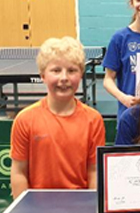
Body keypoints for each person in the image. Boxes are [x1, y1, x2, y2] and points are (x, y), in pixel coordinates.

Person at [10, 37, 106, 199]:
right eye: (56, 70)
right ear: (43, 75)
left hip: (79, 208)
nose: (64, 78)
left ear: (81, 74)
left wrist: (90, 208)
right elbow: (19, 171)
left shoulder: (93, 120)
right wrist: (24, 212)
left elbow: (94, 171)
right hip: (38, 209)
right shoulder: (25, 119)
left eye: (72, 70)